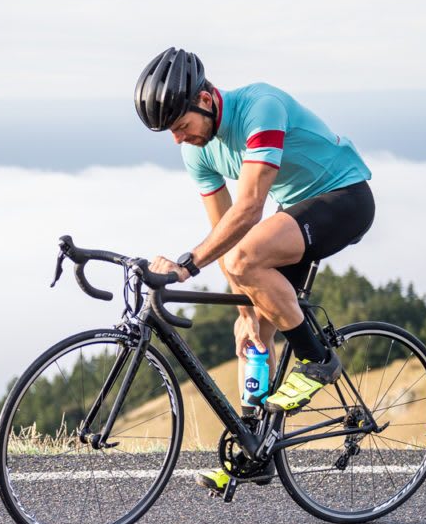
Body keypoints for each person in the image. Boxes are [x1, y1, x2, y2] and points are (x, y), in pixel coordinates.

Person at [135, 47, 375, 495]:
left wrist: (186, 265)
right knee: (250, 335)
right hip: (297, 212)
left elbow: (248, 211)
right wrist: (245, 309)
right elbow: (223, 231)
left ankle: (318, 359)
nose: (178, 139)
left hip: (344, 197)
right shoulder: (197, 151)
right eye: (170, 132)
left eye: (181, 126)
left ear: (205, 101)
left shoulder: (260, 108)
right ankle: (254, 451)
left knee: (246, 260)